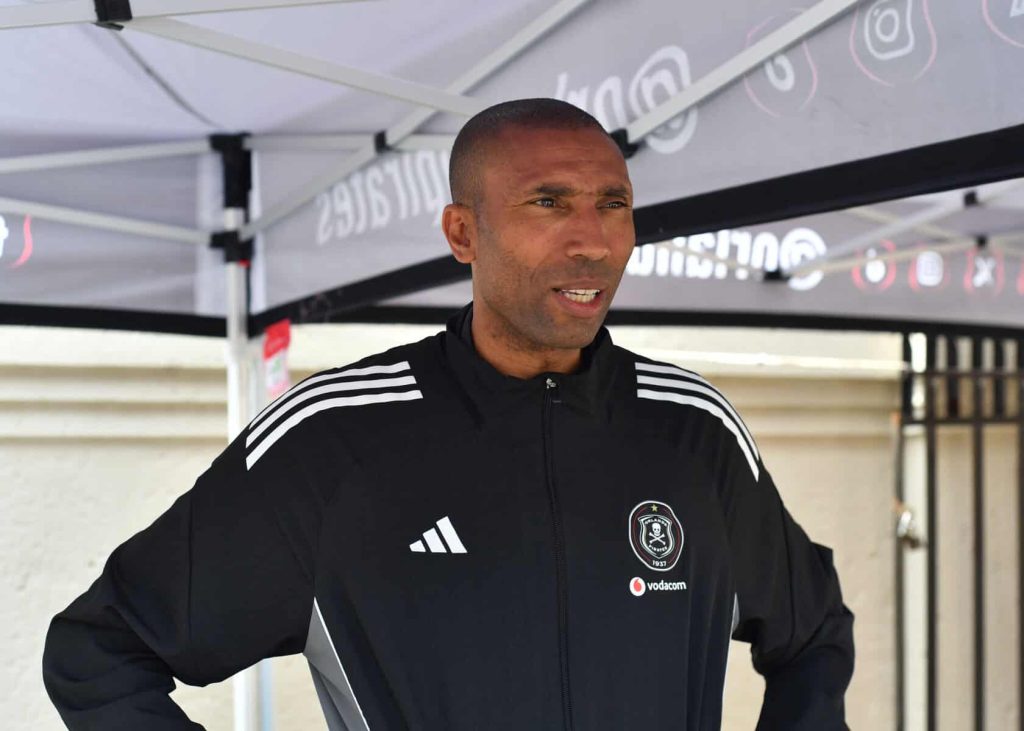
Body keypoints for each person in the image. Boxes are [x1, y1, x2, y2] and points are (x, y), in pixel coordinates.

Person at [43, 98, 854, 730]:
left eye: (613, 203)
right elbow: (101, 649)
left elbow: (812, 631)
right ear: (463, 233)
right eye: (549, 202)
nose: (594, 240)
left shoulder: (694, 430)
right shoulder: (335, 440)